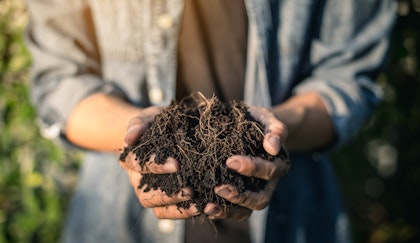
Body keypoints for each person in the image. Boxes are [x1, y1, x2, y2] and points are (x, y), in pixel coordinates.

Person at [24, 0, 396, 242]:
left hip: (290, 220)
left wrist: (275, 132)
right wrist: (134, 135)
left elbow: (347, 78)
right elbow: (60, 82)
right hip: (119, 225)